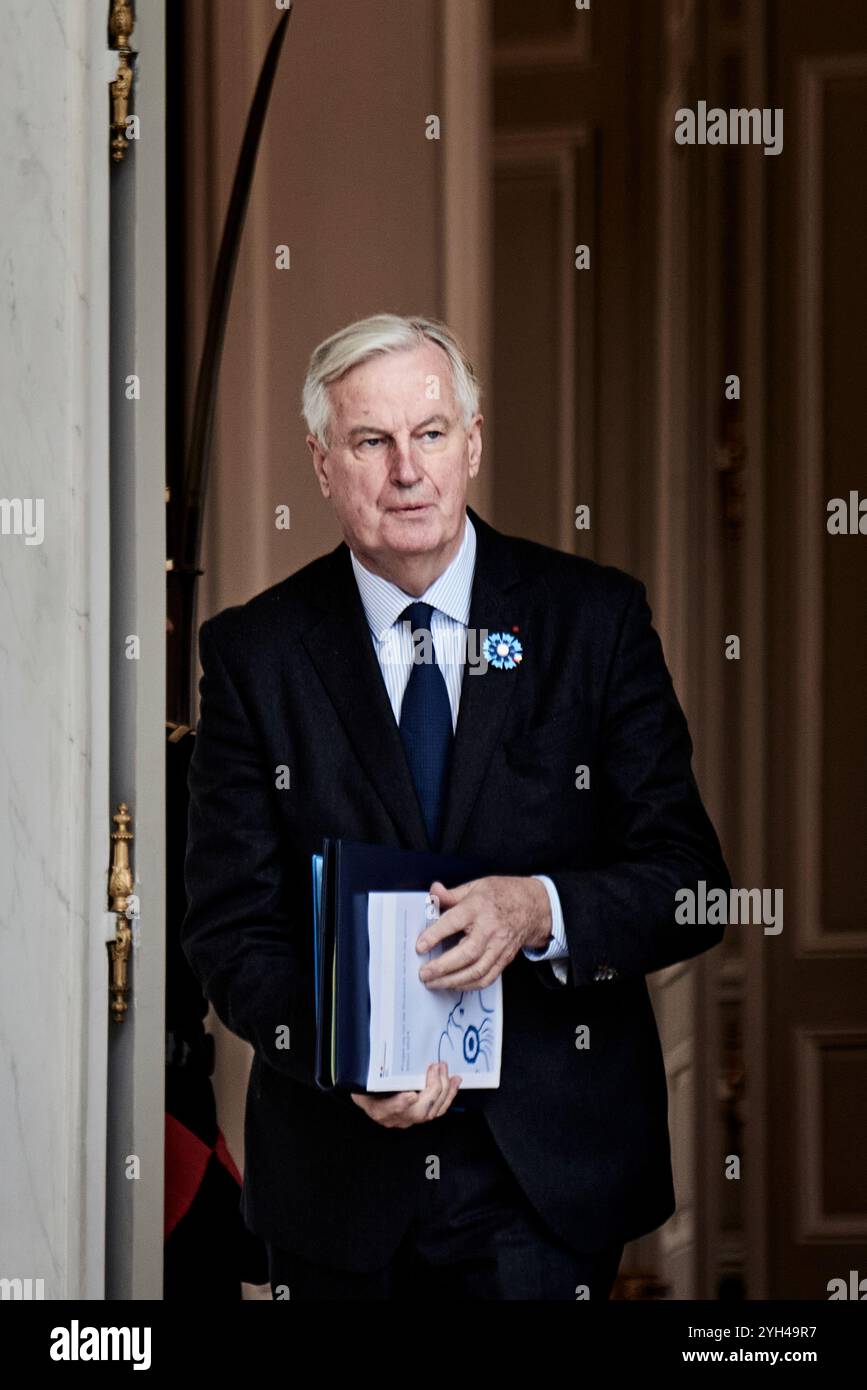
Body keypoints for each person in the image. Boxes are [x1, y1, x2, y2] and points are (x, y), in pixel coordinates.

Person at [181, 313, 730, 1300]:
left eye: (431, 433)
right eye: (370, 440)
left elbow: (688, 879)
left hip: (548, 1177)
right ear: (322, 461)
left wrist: (539, 910)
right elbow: (229, 931)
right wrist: (340, 1053)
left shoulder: (593, 622)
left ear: (471, 443)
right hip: (338, 1179)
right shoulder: (253, 655)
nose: (407, 470)